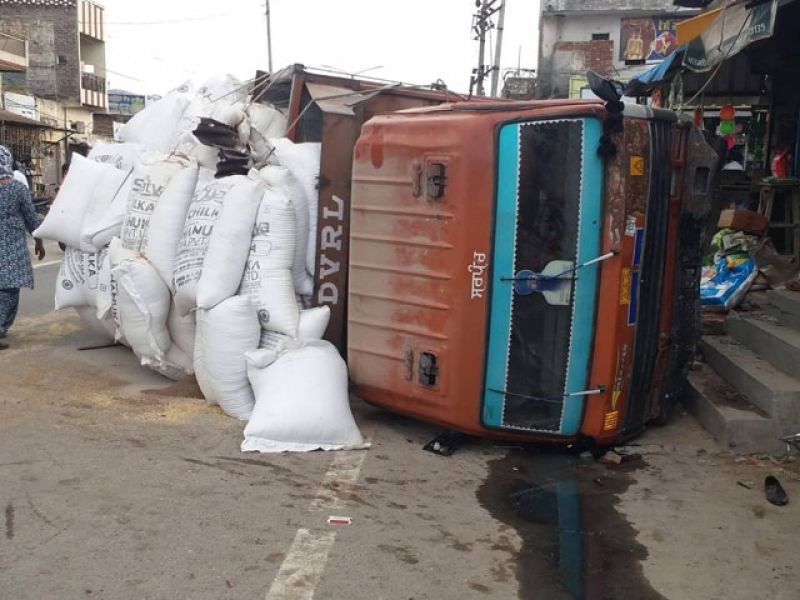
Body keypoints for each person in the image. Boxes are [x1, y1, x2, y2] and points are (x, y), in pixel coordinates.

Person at [0, 145, 45, 350]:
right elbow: (31, 218)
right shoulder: (18, 189)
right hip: (13, 245)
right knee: (9, 288)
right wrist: (39, 241)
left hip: (10, 244)